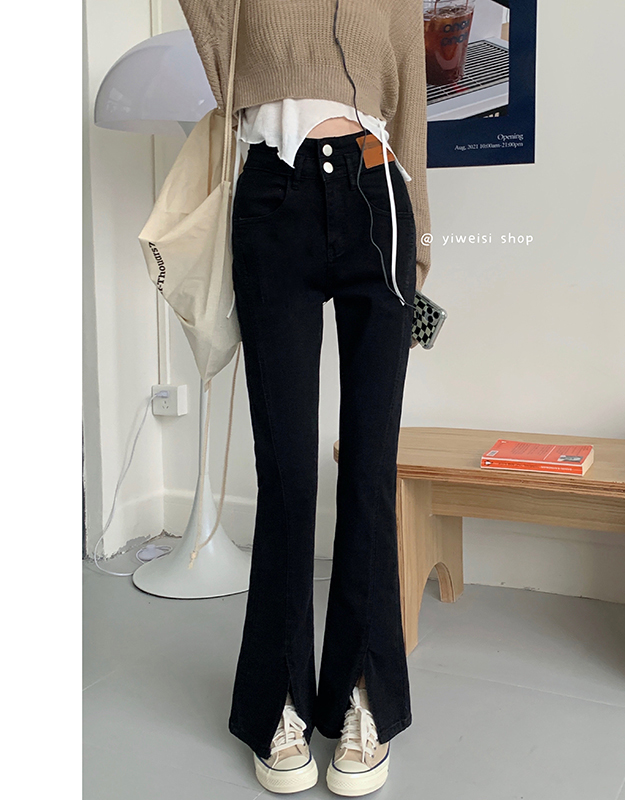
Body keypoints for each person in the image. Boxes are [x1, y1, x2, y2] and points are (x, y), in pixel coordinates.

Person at [177, 1, 432, 795]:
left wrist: (422, 243)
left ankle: (363, 691)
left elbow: (411, 111)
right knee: (286, 472)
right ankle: (278, 700)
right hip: (272, 195)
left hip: (379, 198)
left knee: (368, 469)